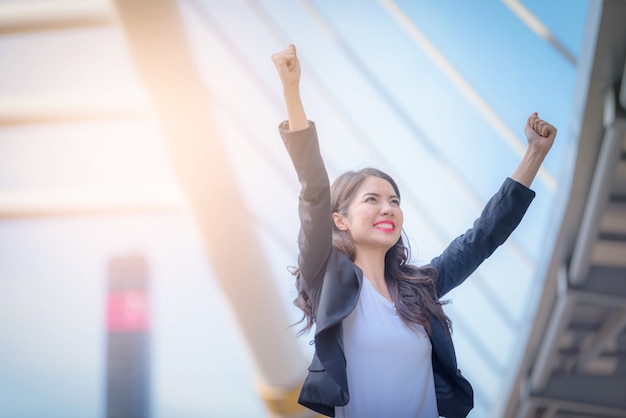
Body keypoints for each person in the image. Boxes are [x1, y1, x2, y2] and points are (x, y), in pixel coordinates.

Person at [271, 44, 556, 418]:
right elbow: (314, 190)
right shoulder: (326, 280)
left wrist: (534, 153)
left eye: (394, 200)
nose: (388, 208)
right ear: (339, 219)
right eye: (371, 199)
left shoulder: (421, 289)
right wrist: (292, 91)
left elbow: (482, 236)